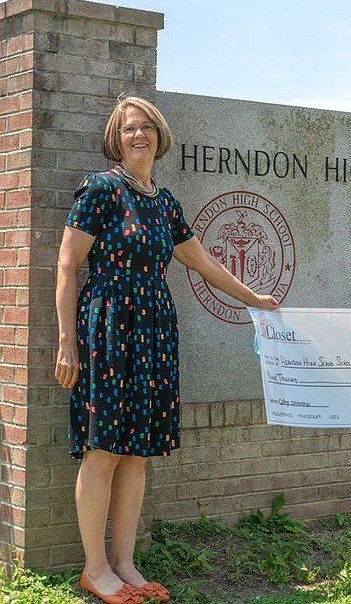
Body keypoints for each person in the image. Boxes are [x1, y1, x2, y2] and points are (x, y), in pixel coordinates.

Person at [55, 96, 279, 604]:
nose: (140, 136)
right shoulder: (100, 189)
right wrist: (67, 342)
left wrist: (253, 299)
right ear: (117, 137)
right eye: (131, 129)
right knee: (103, 449)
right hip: (108, 327)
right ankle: (95, 570)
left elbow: (202, 263)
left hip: (154, 330)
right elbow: (68, 266)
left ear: (160, 136)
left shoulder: (165, 203)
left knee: (136, 453)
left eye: (148, 128)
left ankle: (125, 563)